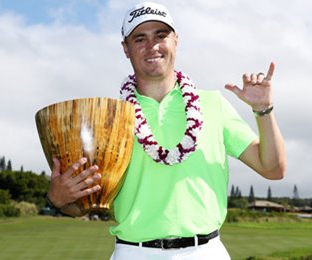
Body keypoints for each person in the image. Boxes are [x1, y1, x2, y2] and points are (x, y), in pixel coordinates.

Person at [45, 2, 286, 259]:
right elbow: (82, 205)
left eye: (161, 35)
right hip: (134, 252)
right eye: (140, 38)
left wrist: (263, 109)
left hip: (206, 252)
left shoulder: (213, 104)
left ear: (176, 41)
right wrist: (58, 199)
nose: (153, 46)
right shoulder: (108, 117)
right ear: (126, 49)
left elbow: (272, 168)